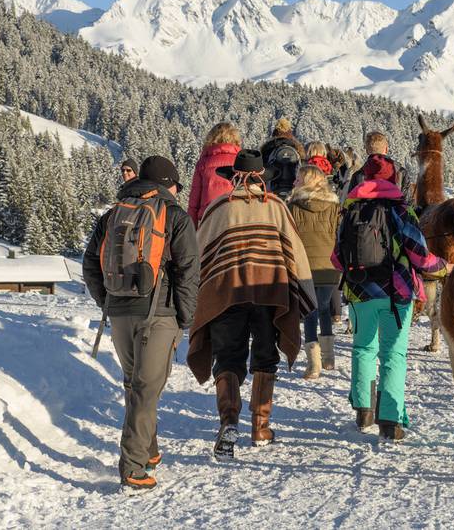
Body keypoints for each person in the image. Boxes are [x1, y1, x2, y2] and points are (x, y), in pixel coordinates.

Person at [187, 149, 317, 460]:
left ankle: (229, 421)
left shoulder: (219, 208)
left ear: (233, 178)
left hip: (226, 293)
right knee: (265, 355)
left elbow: (199, 254)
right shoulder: (276, 207)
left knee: (227, 356)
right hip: (268, 293)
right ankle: (260, 427)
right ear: (262, 178)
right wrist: (305, 294)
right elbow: (295, 253)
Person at [83, 156, 199, 490]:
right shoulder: (175, 216)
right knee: (146, 389)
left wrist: (107, 301)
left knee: (136, 385)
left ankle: (148, 449)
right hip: (157, 314)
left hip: (119, 311)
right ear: (168, 184)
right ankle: (132, 466)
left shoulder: (112, 214)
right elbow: (188, 271)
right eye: (176, 185)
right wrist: (185, 316)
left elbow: (90, 263)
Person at [333, 154, 450, 441]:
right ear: (393, 178)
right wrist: (446, 267)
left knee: (363, 349)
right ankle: (390, 421)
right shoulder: (401, 211)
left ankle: (363, 411)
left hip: (360, 292)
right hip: (396, 295)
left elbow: (336, 259)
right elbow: (421, 258)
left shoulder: (350, 210)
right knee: (393, 355)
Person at [288, 165, 342, 379]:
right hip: (329, 266)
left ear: (306, 182)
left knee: (309, 311)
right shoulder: (334, 207)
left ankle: (314, 364)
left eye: (298, 179)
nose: (295, 182)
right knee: (324, 309)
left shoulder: (293, 207)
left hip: (305, 266)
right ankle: (329, 357)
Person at [188, 122, 242, 227]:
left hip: (209, 219)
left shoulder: (203, 163)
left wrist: (192, 230)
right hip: (235, 218)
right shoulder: (241, 162)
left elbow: (194, 204)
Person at [346, 131, 411, 197]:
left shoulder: (358, 175)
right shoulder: (401, 172)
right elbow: (408, 201)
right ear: (386, 149)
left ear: (367, 151)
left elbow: (350, 201)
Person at [259, 118, 305, 199]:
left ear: (275, 133)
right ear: (290, 133)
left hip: (272, 191)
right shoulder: (297, 149)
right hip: (292, 189)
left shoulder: (267, 148)